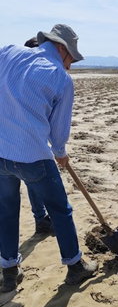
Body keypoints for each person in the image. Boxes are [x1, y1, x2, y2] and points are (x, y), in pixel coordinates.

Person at [0, 24, 98, 292]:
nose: (70, 66)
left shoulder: (8, 52)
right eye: (71, 59)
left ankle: (9, 272)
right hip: (32, 156)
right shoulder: (60, 78)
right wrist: (60, 154)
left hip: (0, 154)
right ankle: (76, 267)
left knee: (6, 212)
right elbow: (58, 131)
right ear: (61, 48)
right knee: (60, 210)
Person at [23, 36, 53, 234]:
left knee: (30, 182)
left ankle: (41, 219)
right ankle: (41, 219)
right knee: (32, 181)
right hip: (22, 142)